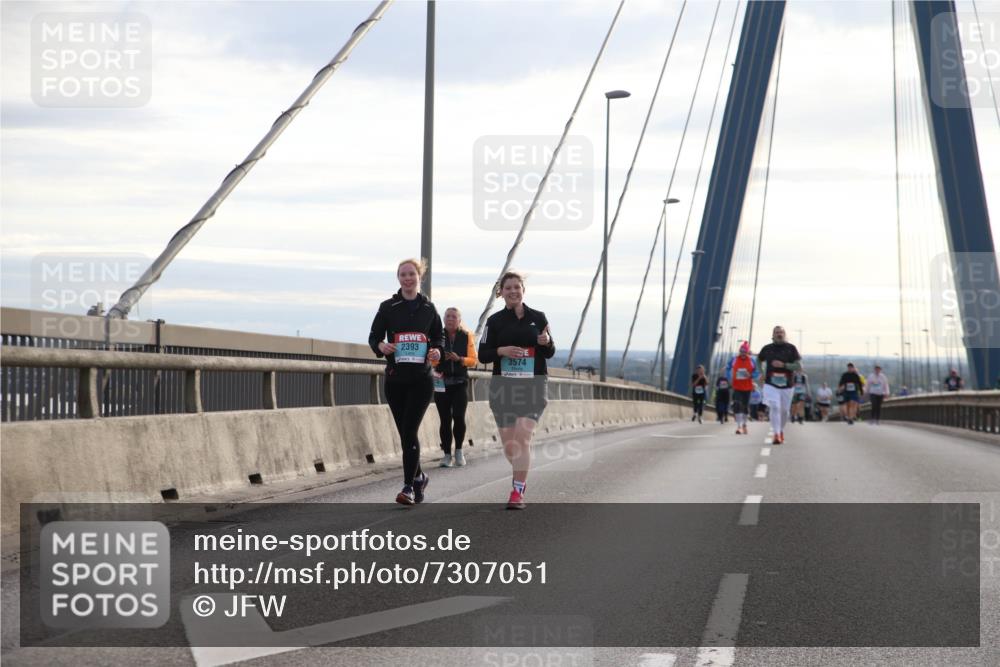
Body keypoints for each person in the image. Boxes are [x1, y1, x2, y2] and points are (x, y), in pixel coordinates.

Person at [368, 258, 444, 506]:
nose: (407, 278)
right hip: (395, 380)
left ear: (419, 277)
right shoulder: (388, 307)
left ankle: (408, 486)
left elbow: (438, 338)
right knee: (405, 434)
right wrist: (381, 345)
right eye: (403, 275)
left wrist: (437, 352)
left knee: (409, 431)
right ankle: (420, 476)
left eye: (412, 274)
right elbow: (373, 337)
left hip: (421, 380)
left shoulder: (429, 309)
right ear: (398, 278)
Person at [478, 271, 555, 510]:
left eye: (517, 287)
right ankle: (520, 472)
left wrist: (547, 343)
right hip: (504, 388)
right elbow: (482, 355)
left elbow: (550, 351)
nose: (513, 291)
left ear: (523, 290)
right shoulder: (495, 321)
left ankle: (517, 491)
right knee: (511, 445)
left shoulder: (539, 317)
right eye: (508, 288)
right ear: (501, 293)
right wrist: (502, 351)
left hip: (533, 385)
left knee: (523, 438)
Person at [432, 307, 478, 467]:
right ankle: (446, 455)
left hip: (459, 382)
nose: (450, 319)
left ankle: (458, 450)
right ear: (444, 319)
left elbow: (474, 360)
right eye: (447, 316)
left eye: (454, 316)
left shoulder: (466, 336)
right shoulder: (437, 335)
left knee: (458, 417)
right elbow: (430, 359)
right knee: (445, 420)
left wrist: (460, 359)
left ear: (459, 320)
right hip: (441, 383)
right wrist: (436, 359)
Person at [757, 325, 802, 445]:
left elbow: (798, 366)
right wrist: (761, 372)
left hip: (787, 385)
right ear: (773, 335)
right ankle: (776, 434)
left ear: (784, 334)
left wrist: (784, 365)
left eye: (781, 332)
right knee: (775, 407)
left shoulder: (791, 348)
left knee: (785, 411)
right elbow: (758, 360)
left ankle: (781, 430)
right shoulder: (767, 348)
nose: (779, 334)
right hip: (770, 384)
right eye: (777, 332)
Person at [726, 341, 759, 435]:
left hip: (748, 387)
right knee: (737, 405)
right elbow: (728, 367)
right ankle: (739, 426)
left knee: (745, 407)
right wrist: (730, 377)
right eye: (741, 351)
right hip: (737, 386)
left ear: (747, 352)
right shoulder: (734, 359)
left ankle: (744, 424)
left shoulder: (752, 360)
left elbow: (757, 372)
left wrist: (751, 375)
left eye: (745, 351)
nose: (743, 353)